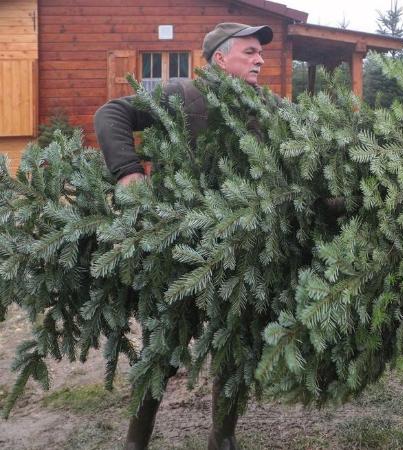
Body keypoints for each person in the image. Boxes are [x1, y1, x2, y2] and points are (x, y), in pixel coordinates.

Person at [94, 22, 273, 450]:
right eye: (249, 52)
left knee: (234, 346)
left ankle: (222, 438)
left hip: (240, 251)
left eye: (260, 53)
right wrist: (128, 172)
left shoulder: (266, 107)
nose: (260, 59)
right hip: (178, 248)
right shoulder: (182, 96)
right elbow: (112, 113)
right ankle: (136, 441)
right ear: (219, 59)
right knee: (163, 347)